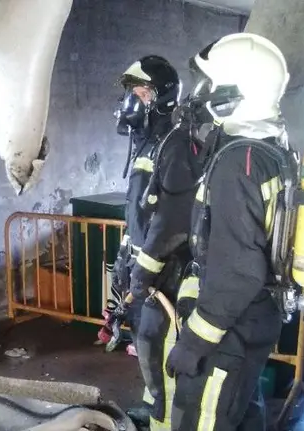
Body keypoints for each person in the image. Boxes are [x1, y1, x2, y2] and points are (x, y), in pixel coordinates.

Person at [165, 33, 293, 431]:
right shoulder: (271, 150)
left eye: (212, 86)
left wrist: (194, 343)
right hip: (255, 318)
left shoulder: (239, 162)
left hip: (228, 332)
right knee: (241, 411)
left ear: (238, 92)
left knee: (202, 418)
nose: (203, 96)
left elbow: (238, 271)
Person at [108, 55, 205, 430]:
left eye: (142, 92)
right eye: (131, 93)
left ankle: (163, 417)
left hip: (167, 267)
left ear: (162, 98)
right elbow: (138, 211)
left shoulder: (175, 144)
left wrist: (145, 269)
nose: (133, 100)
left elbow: (172, 220)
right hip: (143, 264)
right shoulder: (147, 144)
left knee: (155, 339)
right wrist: (124, 255)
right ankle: (154, 405)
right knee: (144, 339)